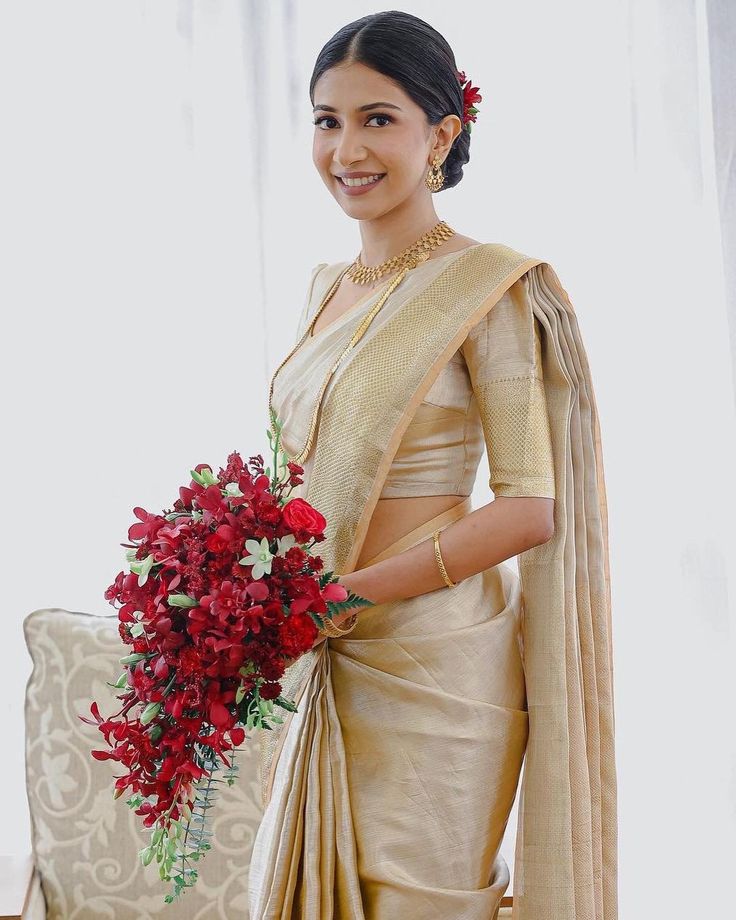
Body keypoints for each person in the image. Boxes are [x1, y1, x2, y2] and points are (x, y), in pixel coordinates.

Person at [248, 10, 617, 920]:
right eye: (327, 120)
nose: (347, 149)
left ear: (442, 133)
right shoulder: (324, 288)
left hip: (436, 665)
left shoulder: (487, 286)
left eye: (379, 119)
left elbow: (530, 507)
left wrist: (349, 595)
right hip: (329, 657)